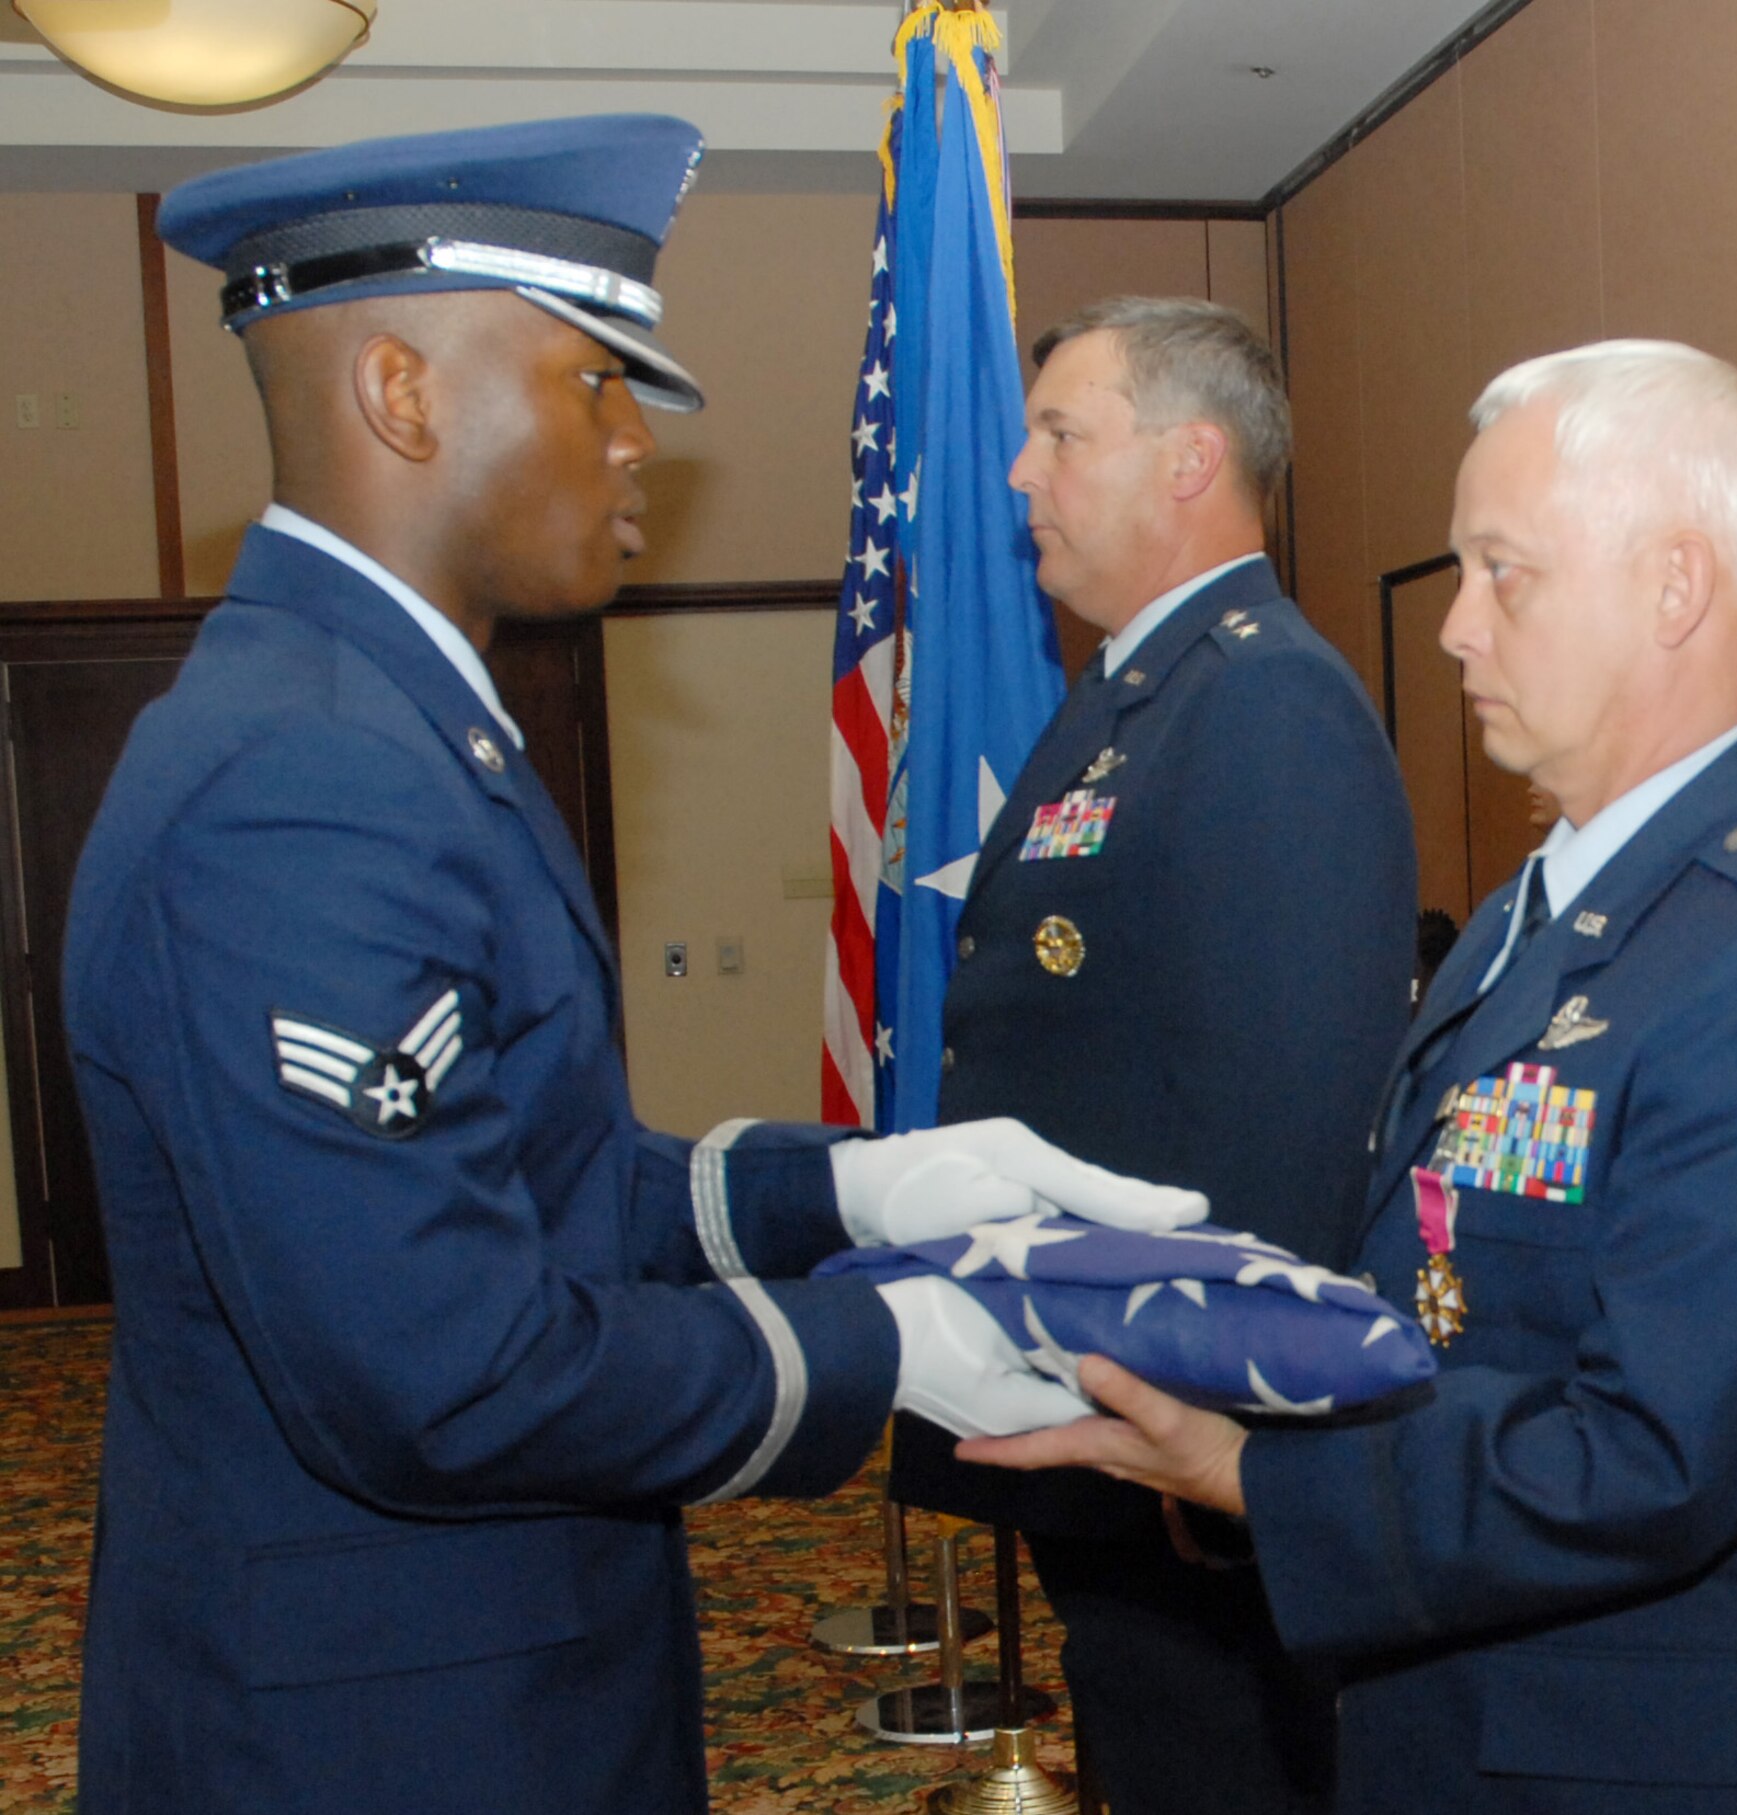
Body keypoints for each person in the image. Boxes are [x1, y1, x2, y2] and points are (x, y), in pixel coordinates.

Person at [61, 116, 1206, 1815]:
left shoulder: (391, 723)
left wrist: (870, 1191)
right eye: (598, 383)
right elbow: (450, 1371)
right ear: (403, 389)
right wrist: (883, 1348)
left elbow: (554, 1181)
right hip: (380, 1737)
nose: (635, 448)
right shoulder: (302, 782)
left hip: (477, 1674)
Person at [964, 339, 1737, 1813]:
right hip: (1477, 1710)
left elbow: (1651, 1459)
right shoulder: (1537, 913)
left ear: (1675, 589)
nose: (1454, 630)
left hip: (1676, 1762)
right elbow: (1443, 1301)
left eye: (1503, 573)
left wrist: (1259, 1481)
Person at [894, 296, 1416, 1813]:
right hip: (1103, 1400)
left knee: (1224, 1767)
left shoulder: (1263, 706)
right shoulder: (1134, 694)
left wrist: (1222, 1435)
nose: (1019, 473)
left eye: (1063, 434)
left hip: (1178, 1439)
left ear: (1191, 461)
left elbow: (1290, 1112)